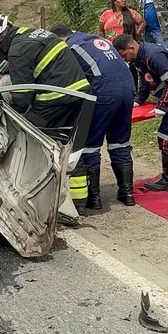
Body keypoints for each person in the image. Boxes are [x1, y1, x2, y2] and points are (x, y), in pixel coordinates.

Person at [0, 14, 91, 211]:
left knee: (29, 139)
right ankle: (81, 201)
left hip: (56, 97)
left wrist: (12, 115)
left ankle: (36, 197)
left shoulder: (16, 51)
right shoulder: (31, 33)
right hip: (78, 93)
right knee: (68, 146)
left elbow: (23, 96)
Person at [51, 25, 136, 208]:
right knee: (120, 142)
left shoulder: (69, 48)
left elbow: (73, 80)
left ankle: (94, 198)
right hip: (128, 87)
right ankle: (127, 193)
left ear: (60, 39)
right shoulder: (96, 39)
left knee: (91, 144)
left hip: (103, 91)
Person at [114, 34, 168, 191]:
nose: (125, 60)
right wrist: (138, 101)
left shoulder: (153, 56)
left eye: (124, 56)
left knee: (167, 135)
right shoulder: (139, 58)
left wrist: (162, 105)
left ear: (131, 47)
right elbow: (146, 81)